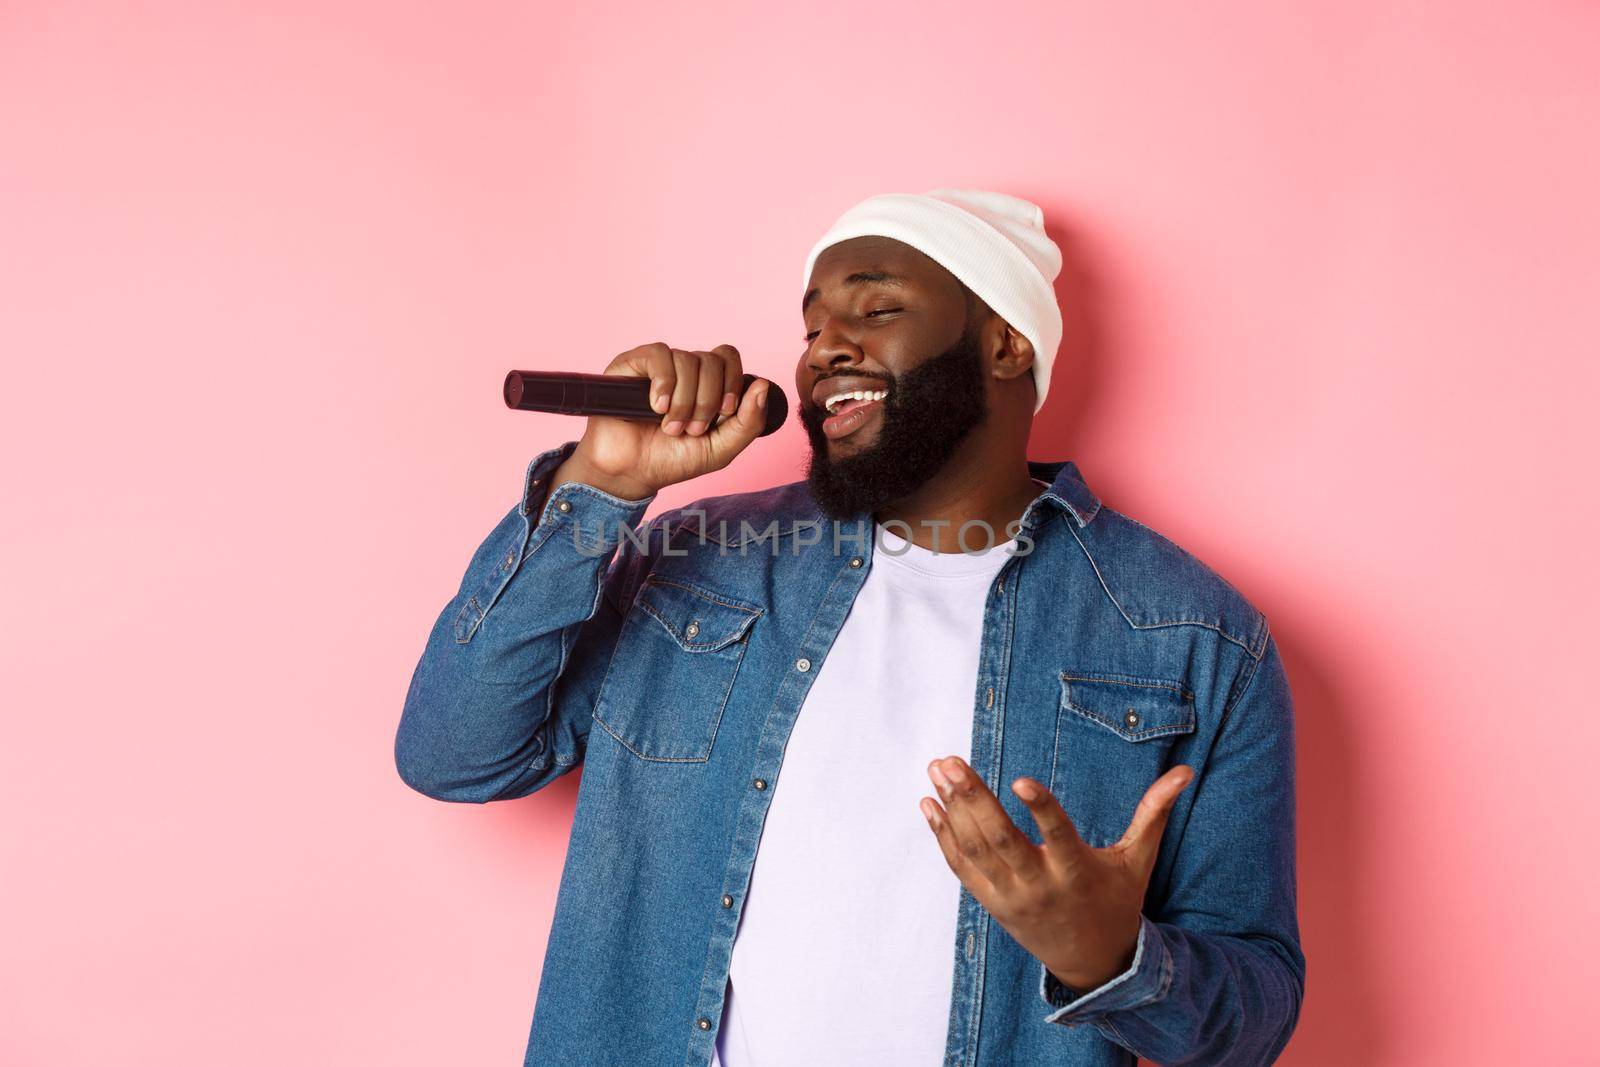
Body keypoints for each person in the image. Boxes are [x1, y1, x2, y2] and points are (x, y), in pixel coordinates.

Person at [394, 189, 1305, 1066]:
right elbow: (455, 751)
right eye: (812, 324)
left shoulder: (1197, 638)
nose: (824, 347)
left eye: (875, 309)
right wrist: (602, 482)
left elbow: (1254, 1017)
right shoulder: (700, 559)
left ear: (1004, 344)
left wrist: (1112, 961)